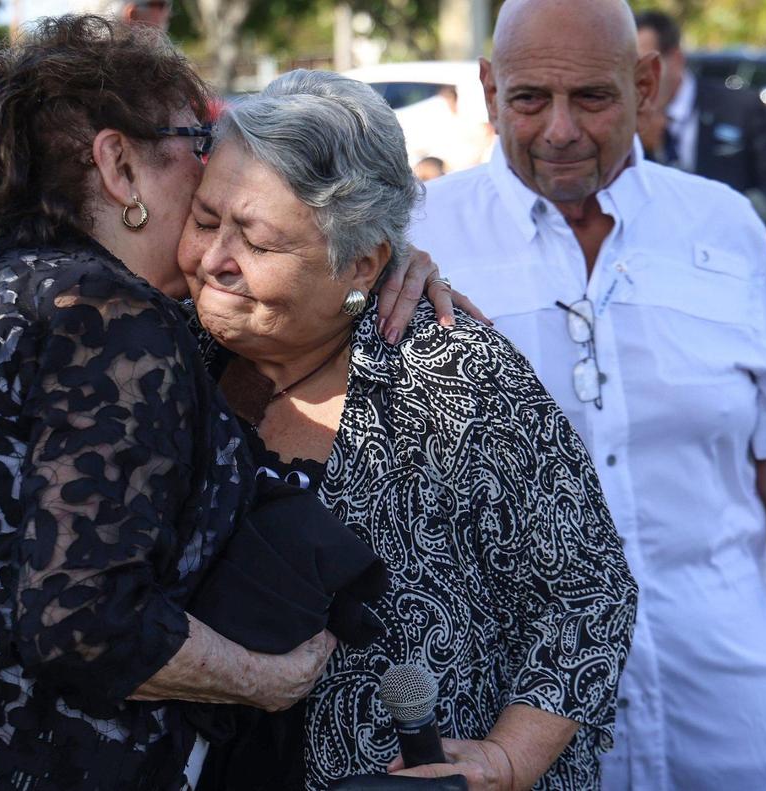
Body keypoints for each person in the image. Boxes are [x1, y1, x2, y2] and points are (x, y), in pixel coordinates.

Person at [0, 17, 457, 789]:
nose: (211, 165)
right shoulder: (114, 316)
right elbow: (82, 620)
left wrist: (387, 263)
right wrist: (264, 679)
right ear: (119, 166)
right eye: (195, 141)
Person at [407, 0, 766, 788]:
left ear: (645, 83)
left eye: (592, 97)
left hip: (730, 711)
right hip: (523, 726)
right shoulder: (417, 237)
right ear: (488, 89)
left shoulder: (722, 224)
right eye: (529, 99)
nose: (560, 130)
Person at [179, 70, 637, 789]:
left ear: (360, 263)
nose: (212, 261)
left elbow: (587, 592)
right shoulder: (171, 353)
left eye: (257, 242)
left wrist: (511, 757)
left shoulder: (455, 374)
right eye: (205, 221)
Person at [634, 9, 766, 228]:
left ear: (675, 59)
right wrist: (643, 149)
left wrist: (735, 223)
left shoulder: (739, 107)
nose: (637, 77)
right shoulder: (626, 118)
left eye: (645, 64)